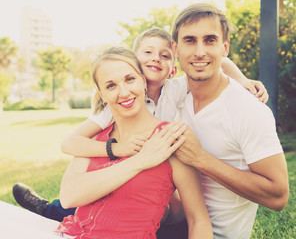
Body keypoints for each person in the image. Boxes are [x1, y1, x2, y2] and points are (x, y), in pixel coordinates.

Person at [13, 26, 269, 220]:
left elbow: (219, 60)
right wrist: (115, 149)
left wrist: (243, 81)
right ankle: (48, 209)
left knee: (172, 205)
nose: (156, 58)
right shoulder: (120, 100)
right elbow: (70, 142)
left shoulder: (177, 88)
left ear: (173, 67)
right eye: (148, 52)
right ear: (135, 61)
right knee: (108, 194)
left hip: (163, 175)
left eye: (165, 55)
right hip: (127, 172)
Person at [1, 46, 213, 238]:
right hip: (69, 233)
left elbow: (198, 220)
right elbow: (69, 197)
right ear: (102, 94)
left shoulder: (170, 138)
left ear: (143, 80)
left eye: (130, 79)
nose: (123, 92)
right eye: (111, 85)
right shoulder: (96, 139)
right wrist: (140, 160)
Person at [168, 3, 289, 238]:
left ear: (225, 47)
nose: (200, 51)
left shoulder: (248, 110)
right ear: (175, 48)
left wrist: (201, 159)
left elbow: (279, 196)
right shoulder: (174, 93)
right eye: (190, 40)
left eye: (210, 40)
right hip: (171, 219)